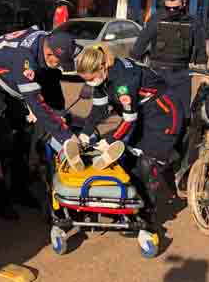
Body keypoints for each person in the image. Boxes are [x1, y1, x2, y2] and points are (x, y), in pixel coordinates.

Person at [0, 28, 124, 220]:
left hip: (8, 78)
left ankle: (19, 190)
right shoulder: (24, 60)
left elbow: (55, 82)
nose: (60, 66)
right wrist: (66, 136)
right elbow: (37, 104)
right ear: (49, 54)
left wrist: (61, 115)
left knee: (24, 135)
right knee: (3, 140)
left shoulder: (53, 40)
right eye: (59, 62)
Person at [76, 44, 186, 241]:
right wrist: (84, 135)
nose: (90, 83)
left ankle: (147, 221)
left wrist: (109, 140)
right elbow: (99, 111)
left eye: (91, 79)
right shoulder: (102, 79)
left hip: (164, 114)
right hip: (143, 114)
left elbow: (128, 119)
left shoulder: (123, 81)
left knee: (147, 164)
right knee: (127, 160)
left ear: (102, 67)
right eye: (86, 80)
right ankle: (130, 208)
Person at [130, 0, 207, 114]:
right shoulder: (157, 19)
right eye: (168, 8)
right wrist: (132, 63)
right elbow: (141, 42)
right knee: (152, 110)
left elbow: (200, 47)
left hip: (182, 72)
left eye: (175, 8)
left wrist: (204, 72)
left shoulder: (193, 22)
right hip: (157, 72)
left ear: (183, 3)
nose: (171, 11)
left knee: (182, 112)